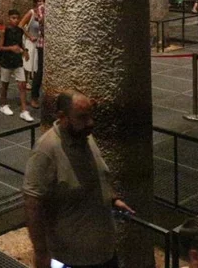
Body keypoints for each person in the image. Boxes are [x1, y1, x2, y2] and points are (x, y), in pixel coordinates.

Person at [24, 90, 134, 268]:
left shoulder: (84, 136)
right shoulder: (46, 150)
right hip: (73, 259)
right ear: (63, 117)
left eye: (90, 115)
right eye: (82, 117)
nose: (90, 122)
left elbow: (97, 174)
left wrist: (112, 198)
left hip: (104, 252)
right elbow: (33, 204)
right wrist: (41, 253)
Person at [0, 10, 35, 122]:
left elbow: (20, 43)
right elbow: (0, 47)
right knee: (5, 84)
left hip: (17, 61)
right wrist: (11, 48)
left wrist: (24, 51)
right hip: (6, 60)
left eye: (17, 18)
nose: (16, 20)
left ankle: (24, 110)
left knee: (22, 84)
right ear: (9, 18)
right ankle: (3, 104)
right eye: (13, 18)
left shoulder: (20, 30)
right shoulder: (5, 31)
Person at [20, 0, 46, 108]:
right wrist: (29, 36)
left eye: (42, 1)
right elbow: (21, 25)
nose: (41, 3)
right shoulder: (36, 11)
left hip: (38, 42)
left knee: (35, 67)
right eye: (39, 1)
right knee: (32, 67)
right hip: (33, 42)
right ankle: (27, 87)